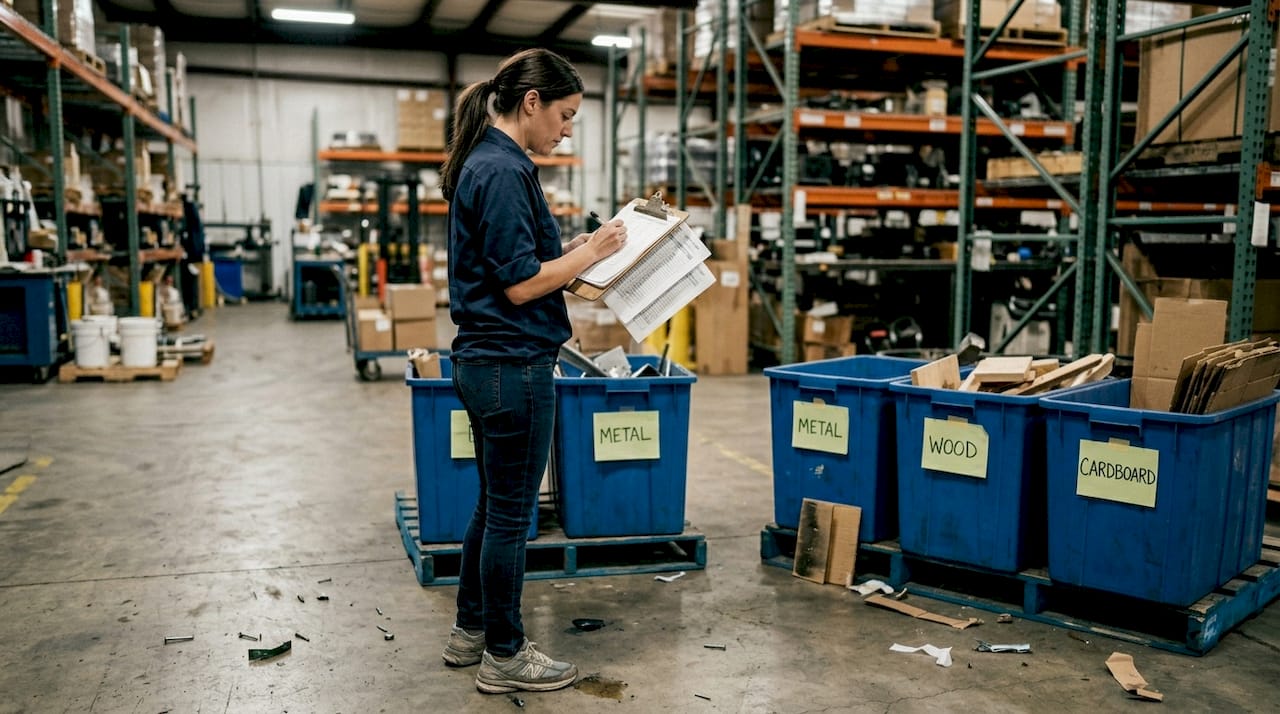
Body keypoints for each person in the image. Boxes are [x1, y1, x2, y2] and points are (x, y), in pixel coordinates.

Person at [437, 48, 627, 695]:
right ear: (531, 102)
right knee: (511, 517)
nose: (567, 130)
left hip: (489, 362)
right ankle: (505, 653)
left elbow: (515, 266)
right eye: (565, 115)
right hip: (511, 364)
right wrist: (592, 252)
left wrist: (574, 252)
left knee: (494, 506)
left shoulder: (493, 162)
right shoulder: (501, 169)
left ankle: (470, 631)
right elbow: (520, 285)